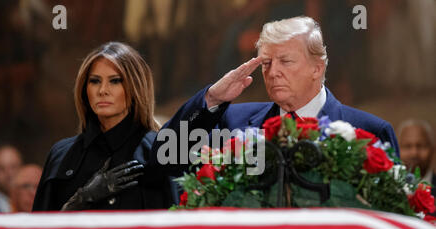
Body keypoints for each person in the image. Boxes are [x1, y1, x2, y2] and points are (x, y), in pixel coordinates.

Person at [151, 16, 400, 176]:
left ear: (317, 68)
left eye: (286, 61)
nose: (273, 72)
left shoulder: (369, 130)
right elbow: (164, 159)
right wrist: (212, 99)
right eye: (267, 63)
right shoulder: (234, 120)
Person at [33, 42, 176, 211]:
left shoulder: (159, 149)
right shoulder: (61, 154)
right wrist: (82, 199)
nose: (102, 90)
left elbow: (177, 226)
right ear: (85, 89)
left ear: (135, 87)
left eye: (115, 81)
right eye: (94, 81)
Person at [398, 119, 435, 199]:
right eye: (407, 146)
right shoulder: (384, 189)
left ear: (432, 150)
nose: (414, 153)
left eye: (421, 146)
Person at [0, 145, 23, 212]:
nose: (8, 173)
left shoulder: (34, 206)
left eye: (13, 167)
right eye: (1, 168)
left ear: (22, 169)